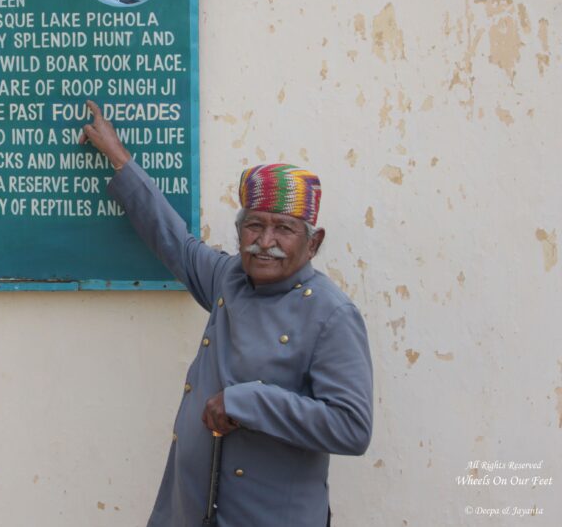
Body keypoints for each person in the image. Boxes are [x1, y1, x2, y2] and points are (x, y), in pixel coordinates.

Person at [79, 100, 373, 526]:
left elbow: (352, 427)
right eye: (254, 225)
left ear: (313, 242)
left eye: (283, 228)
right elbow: (173, 241)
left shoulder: (332, 314)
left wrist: (249, 402)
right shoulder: (228, 278)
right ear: (238, 231)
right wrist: (119, 158)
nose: (265, 242)